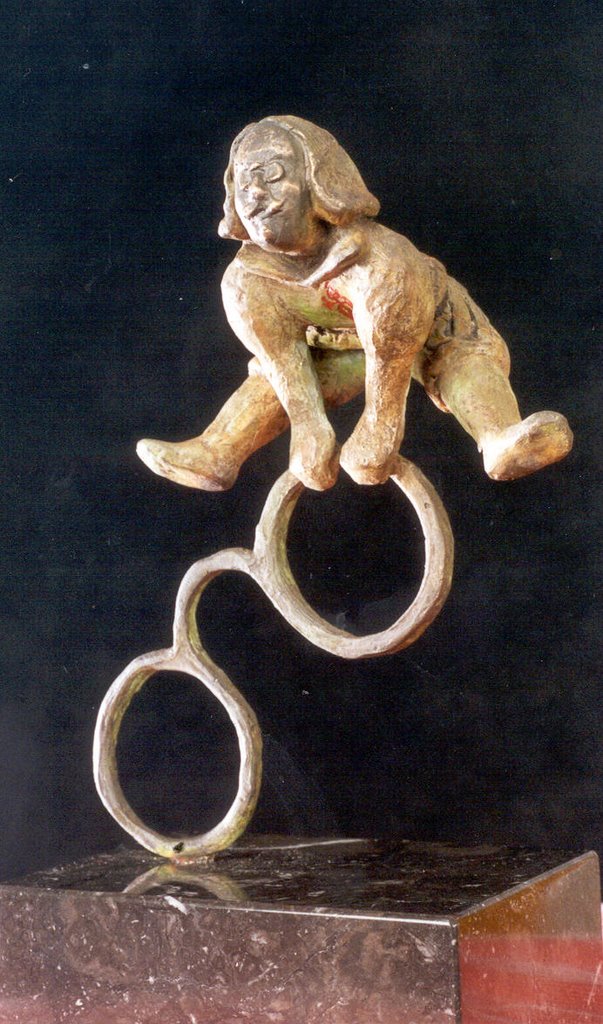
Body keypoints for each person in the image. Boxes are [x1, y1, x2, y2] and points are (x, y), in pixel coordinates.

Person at [137, 115, 572, 492]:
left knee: (462, 362)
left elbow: (394, 345)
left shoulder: (379, 258)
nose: (254, 193)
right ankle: (219, 451)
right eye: (243, 180)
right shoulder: (247, 282)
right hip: (341, 350)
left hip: (430, 327)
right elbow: (284, 362)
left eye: (272, 173)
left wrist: (379, 428)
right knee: (275, 379)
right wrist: (310, 431)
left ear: (318, 180)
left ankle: (499, 438)